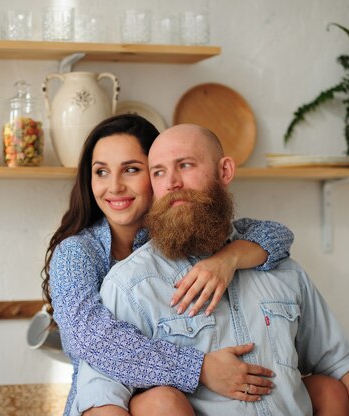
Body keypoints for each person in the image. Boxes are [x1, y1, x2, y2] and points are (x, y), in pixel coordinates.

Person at [73, 124, 349, 416]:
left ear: (225, 171)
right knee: (157, 403)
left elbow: (338, 362)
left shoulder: (282, 270)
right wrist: (198, 368)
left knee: (331, 390)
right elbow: (100, 395)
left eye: (186, 165)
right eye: (159, 172)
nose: (172, 183)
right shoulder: (130, 285)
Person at [42, 115, 296, 416]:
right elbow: (91, 339)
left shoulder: (183, 233)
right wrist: (199, 368)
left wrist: (228, 260)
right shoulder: (77, 253)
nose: (114, 186)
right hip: (108, 400)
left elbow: (277, 235)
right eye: (101, 172)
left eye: (131, 170)